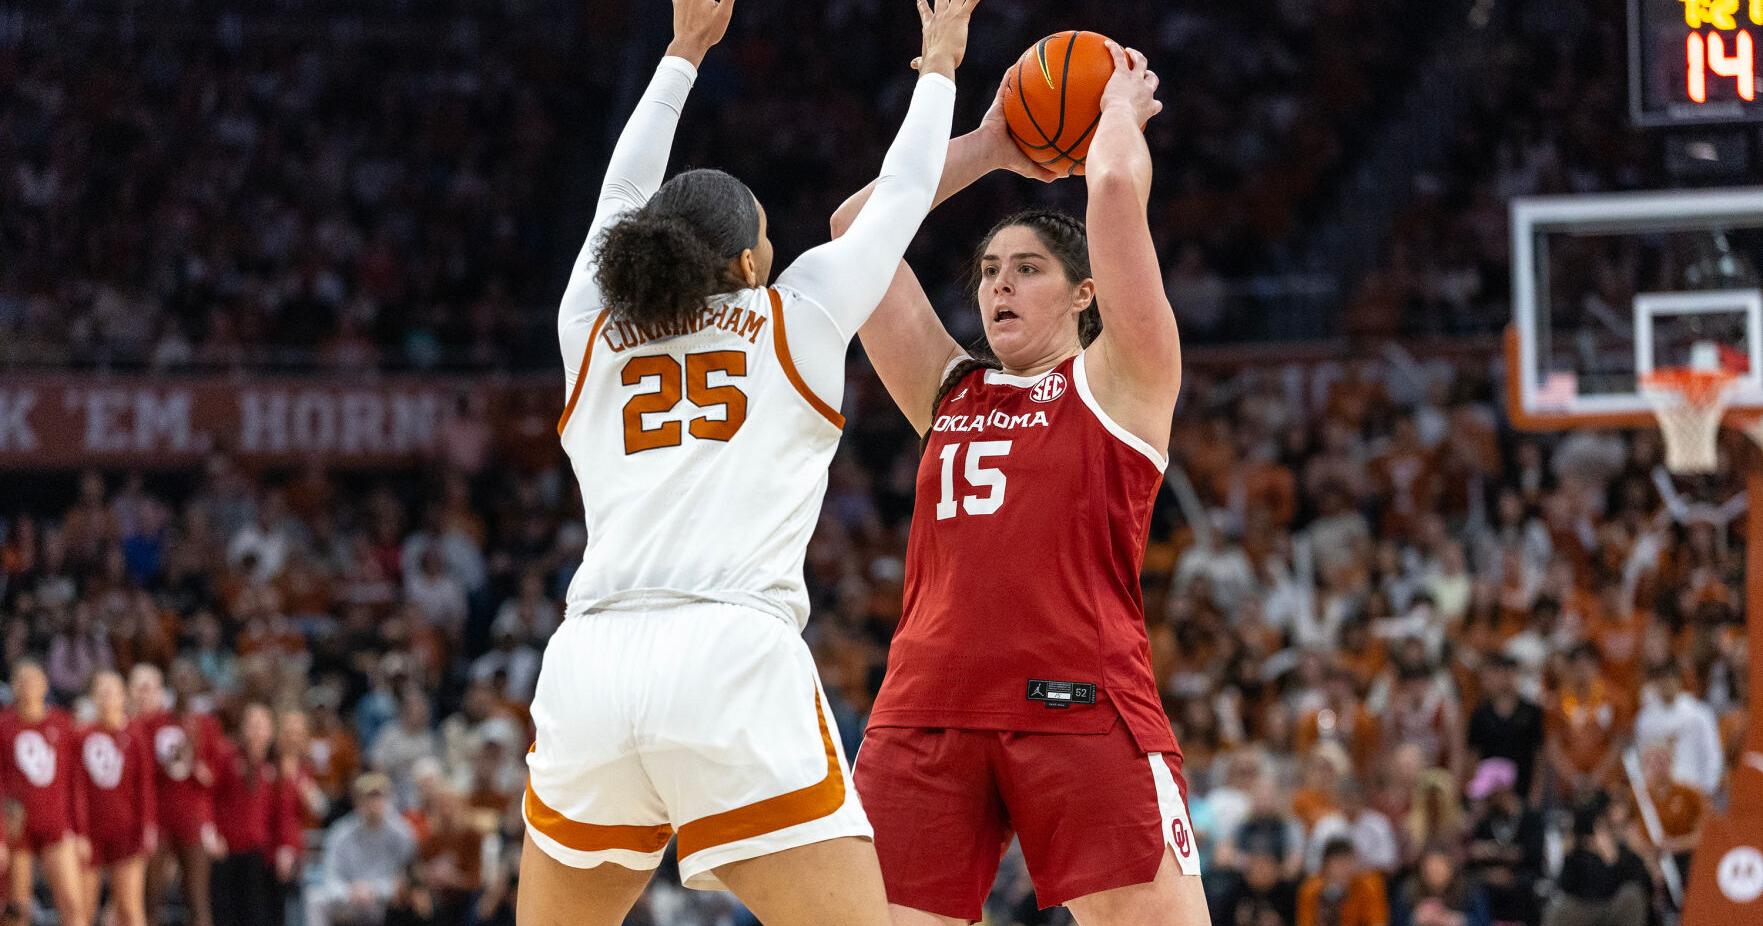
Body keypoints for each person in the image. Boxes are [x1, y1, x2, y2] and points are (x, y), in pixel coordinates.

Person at [518, 0, 977, 923]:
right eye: (766, 238)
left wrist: (682, 49)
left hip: (589, 663)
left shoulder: (589, 326)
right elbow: (899, 194)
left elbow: (616, 197)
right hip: (727, 657)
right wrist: (939, 66)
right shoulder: (796, 314)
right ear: (743, 264)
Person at [830, 36, 1206, 926]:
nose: (999, 286)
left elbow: (1111, 189)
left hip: (1078, 703)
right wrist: (992, 145)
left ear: (1084, 295)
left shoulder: (1123, 379)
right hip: (925, 710)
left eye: (1027, 269)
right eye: (989, 272)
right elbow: (853, 231)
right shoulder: (949, 389)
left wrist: (1116, 113)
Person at [131, 662, 225, 926]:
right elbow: (144, 773)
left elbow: (215, 776)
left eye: (188, 679)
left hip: (192, 816)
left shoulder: (206, 725)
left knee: (196, 897)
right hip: (161, 815)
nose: (183, 685)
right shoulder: (155, 722)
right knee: (152, 896)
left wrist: (200, 769)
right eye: (178, 679)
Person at [0, 661, 87, 926]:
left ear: (45, 686)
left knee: (72, 904)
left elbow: (75, 778)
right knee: (16, 908)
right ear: (14, 687)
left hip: (55, 823)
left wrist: (79, 828)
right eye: (22, 681)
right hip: (17, 827)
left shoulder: (61, 723)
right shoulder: (4, 726)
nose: (28, 687)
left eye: (34, 681)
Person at [209, 703, 301, 926]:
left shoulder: (277, 767)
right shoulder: (227, 758)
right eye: (251, 725)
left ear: (271, 731)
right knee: (225, 914)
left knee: (259, 914)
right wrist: (212, 832)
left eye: (261, 726)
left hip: (261, 855)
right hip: (227, 851)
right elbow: (210, 797)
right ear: (242, 728)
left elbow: (286, 815)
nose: (256, 732)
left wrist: (286, 847)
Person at [77, 671, 154, 926]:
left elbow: (144, 786)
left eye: (111, 693)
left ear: (123, 697)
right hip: (92, 831)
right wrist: (80, 831)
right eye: (101, 693)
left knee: (129, 908)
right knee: (84, 909)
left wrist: (147, 826)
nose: (106, 699)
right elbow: (77, 787)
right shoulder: (82, 736)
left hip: (126, 829)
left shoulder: (135, 735)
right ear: (93, 698)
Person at [304, 773, 416, 926]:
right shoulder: (341, 832)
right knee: (315, 899)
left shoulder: (402, 833)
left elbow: (406, 876)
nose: (373, 804)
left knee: (407, 901)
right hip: (349, 898)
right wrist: (348, 892)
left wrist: (375, 890)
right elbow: (331, 876)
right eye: (368, 798)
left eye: (378, 797)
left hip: (383, 901)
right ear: (357, 801)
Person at [1296, 838, 1388, 926]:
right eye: (1339, 864)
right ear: (1325, 867)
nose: (1346, 870)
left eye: (1349, 863)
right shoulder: (1311, 890)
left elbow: (1378, 922)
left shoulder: (1368, 886)